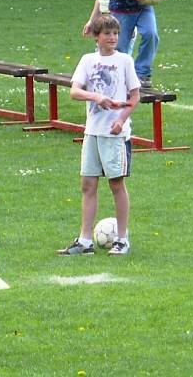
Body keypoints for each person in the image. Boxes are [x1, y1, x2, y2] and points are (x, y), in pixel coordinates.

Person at [57, 15, 140, 257]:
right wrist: (97, 97)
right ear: (96, 36)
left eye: (115, 33)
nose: (112, 38)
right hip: (92, 131)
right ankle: (84, 241)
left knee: (116, 184)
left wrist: (121, 120)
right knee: (87, 184)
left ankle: (122, 239)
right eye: (107, 34)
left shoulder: (124, 61)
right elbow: (74, 91)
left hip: (114, 134)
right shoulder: (87, 60)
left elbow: (135, 97)